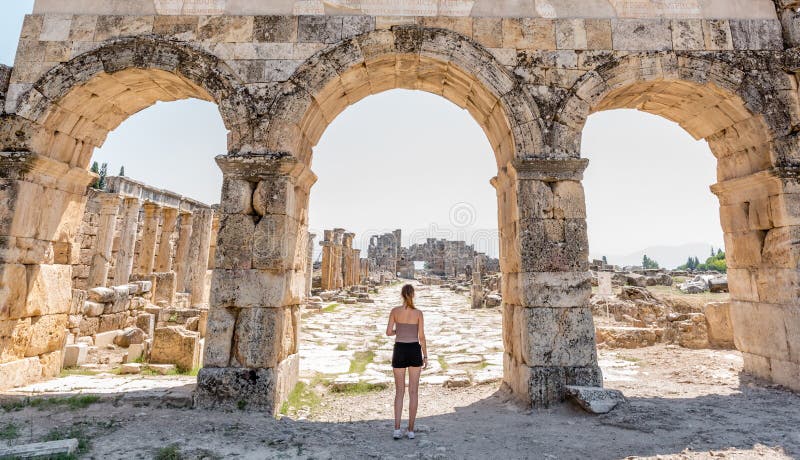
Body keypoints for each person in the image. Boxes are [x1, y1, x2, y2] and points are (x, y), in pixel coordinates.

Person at [386, 284, 427, 440]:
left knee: (399, 391)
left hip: (400, 350)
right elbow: (421, 336)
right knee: (414, 392)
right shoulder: (418, 313)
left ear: (402, 295)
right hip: (414, 350)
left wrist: (400, 331)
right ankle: (410, 430)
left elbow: (389, 332)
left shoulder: (395, 311)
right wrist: (426, 356)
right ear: (413, 295)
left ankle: (396, 429)